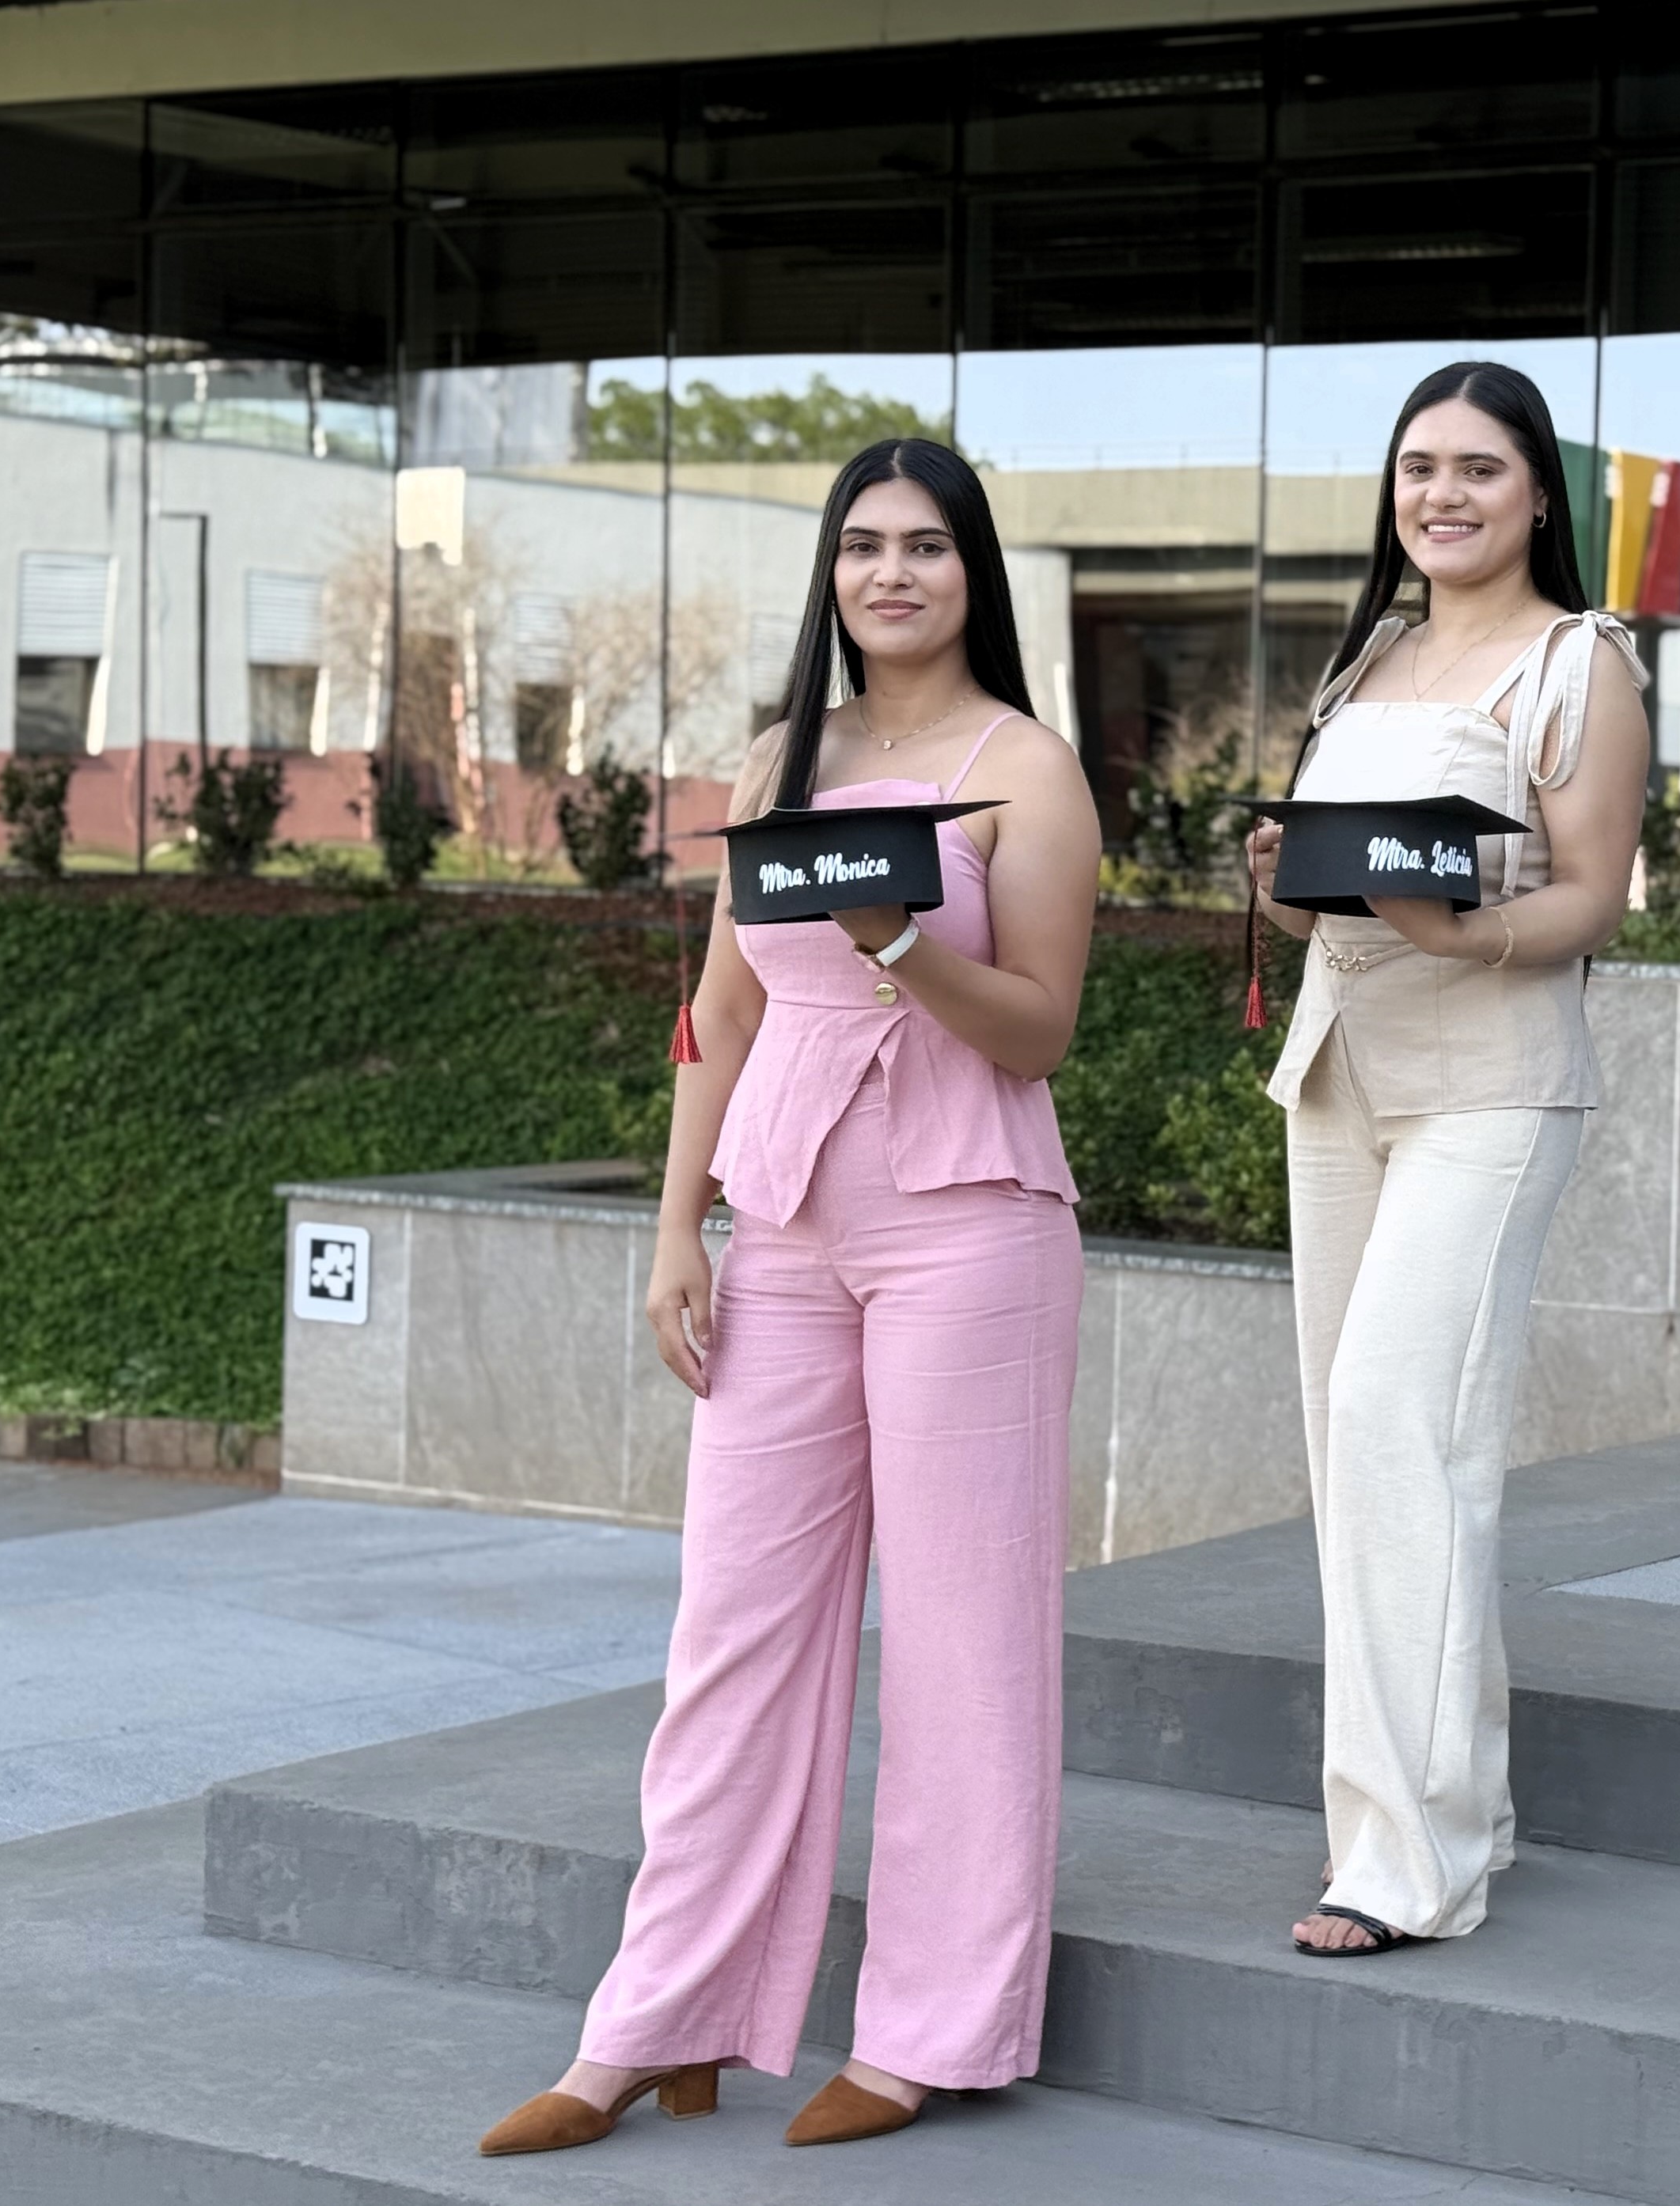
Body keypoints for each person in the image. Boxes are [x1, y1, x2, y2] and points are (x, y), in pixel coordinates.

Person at [479, 438, 1099, 2156]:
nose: (892, 573)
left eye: (927, 546)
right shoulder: (780, 759)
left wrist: (903, 940)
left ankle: (928, 2032)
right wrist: (678, 1227)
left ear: (973, 571)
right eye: (863, 545)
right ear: (832, 572)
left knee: (965, 1640)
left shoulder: (1024, 768)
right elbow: (724, 1010)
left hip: (970, 1225)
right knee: (732, 1630)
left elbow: (1043, 1030)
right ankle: (658, 2020)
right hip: (785, 1226)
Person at [1245, 362, 1648, 1957]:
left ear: (1538, 491)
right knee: (1360, 1453)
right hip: (1341, 1066)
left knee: (1393, 1419)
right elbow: (1329, 898)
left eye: (1479, 467)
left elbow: (1593, 897)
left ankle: (1403, 1865)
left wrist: (1456, 931)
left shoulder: (1580, 662)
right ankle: (1452, 1805)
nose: (1443, 494)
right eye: (1419, 467)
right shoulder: (1369, 657)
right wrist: (1282, 879)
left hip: (1489, 1082)